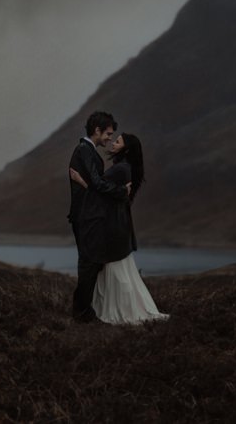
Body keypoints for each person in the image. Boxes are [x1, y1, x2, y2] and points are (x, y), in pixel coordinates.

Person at [70, 133, 169, 325]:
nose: (113, 143)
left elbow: (100, 191)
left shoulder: (121, 169)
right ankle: (117, 309)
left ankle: (120, 311)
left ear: (126, 149)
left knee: (118, 274)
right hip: (117, 227)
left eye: (117, 141)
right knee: (121, 273)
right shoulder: (124, 168)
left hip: (114, 229)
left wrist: (81, 181)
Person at [68, 111, 131, 323]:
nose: (110, 138)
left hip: (89, 215)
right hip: (86, 216)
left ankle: (84, 311)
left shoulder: (88, 150)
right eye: (108, 134)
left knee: (92, 262)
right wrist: (122, 191)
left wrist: (85, 183)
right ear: (97, 131)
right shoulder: (85, 150)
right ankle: (82, 312)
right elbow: (96, 182)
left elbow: (91, 183)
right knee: (89, 262)